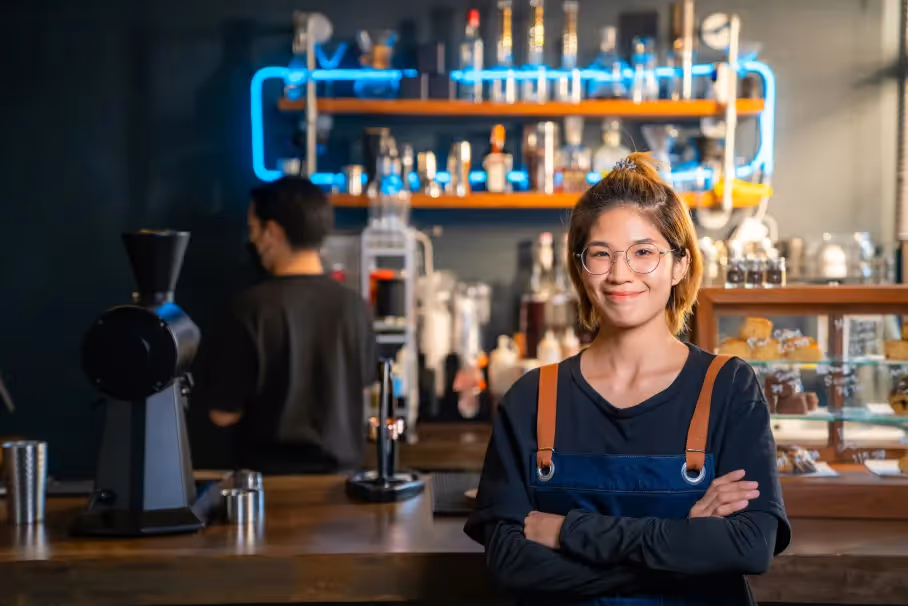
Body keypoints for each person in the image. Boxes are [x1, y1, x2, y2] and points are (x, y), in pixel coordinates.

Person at [464, 153, 789, 605]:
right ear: (581, 268)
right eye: (601, 254)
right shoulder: (533, 397)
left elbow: (751, 546)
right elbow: (510, 563)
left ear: (679, 265)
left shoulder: (728, 388)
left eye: (644, 252)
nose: (620, 274)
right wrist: (683, 549)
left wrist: (567, 529)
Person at [193, 177, 376, 474]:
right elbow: (366, 383)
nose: (252, 241)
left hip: (270, 487)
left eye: (253, 229)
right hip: (343, 487)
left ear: (273, 231)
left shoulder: (250, 308)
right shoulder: (355, 306)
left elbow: (222, 414)